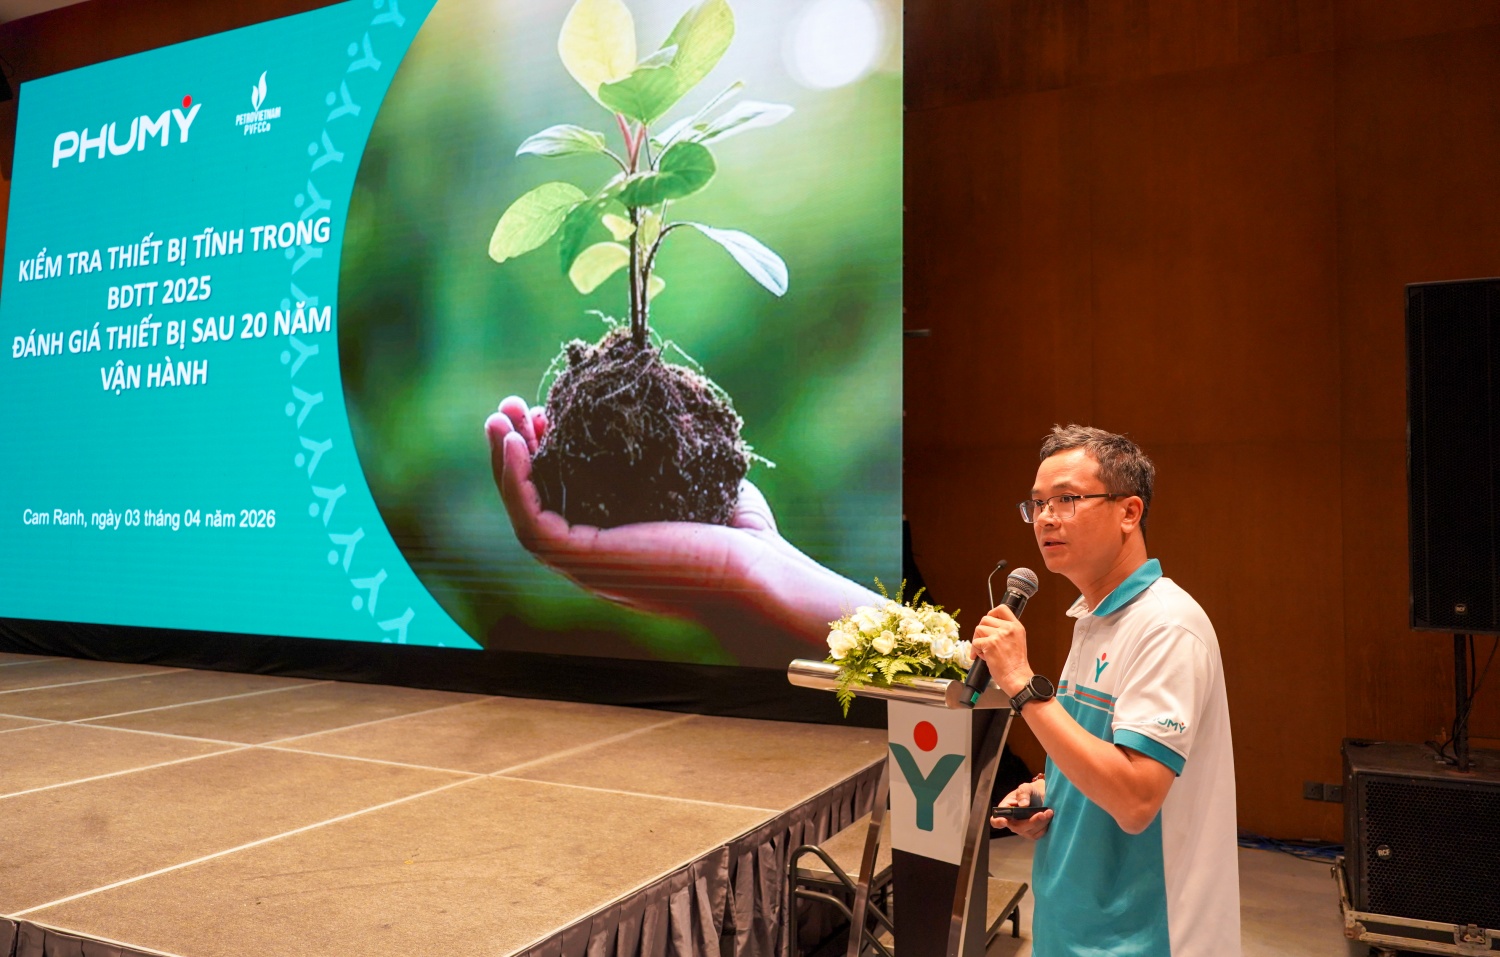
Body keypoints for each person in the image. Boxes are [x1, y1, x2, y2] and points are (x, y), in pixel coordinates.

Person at [971, 425, 1240, 957]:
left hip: (1143, 934)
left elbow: (1137, 798)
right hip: (1073, 919)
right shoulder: (1095, 618)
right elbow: (1098, 753)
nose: (1046, 517)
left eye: (1068, 499)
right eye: (1037, 503)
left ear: (1129, 512)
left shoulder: (1165, 626)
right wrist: (1049, 793)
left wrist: (1023, 686)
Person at [484, 396, 882, 661]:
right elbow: (936, 665)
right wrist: (752, 575)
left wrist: (751, 569)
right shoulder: (935, 655)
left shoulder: (937, 663)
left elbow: (939, 674)